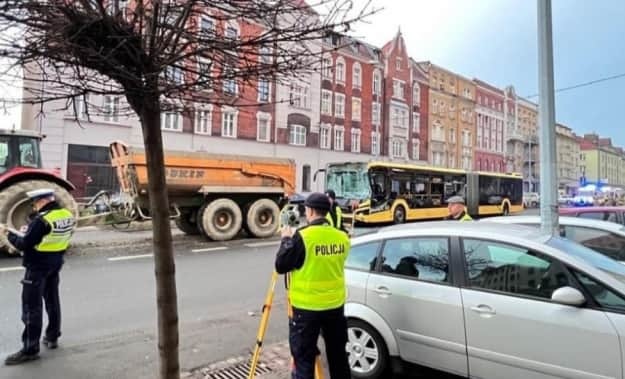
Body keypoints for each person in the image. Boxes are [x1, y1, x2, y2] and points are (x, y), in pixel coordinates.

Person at [275, 192, 351, 379]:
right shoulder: (342, 237)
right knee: (338, 357)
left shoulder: (303, 237)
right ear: (327, 211)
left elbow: (281, 265)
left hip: (306, 309)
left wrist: (286, 239)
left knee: (303, 359)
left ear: (309, 211)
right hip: (334, 306)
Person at [0, 188, 76, 365]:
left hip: (37, 267)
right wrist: (29, 231)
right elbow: (52, 236)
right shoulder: (66, 214)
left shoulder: (42, 220)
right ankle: (52, 336)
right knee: (52, 301)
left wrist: (7, 234)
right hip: (55, 263)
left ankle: (30, 348)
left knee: (31, 307)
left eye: (34, 203)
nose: (33, 207)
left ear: (42, 201)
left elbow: (24, 244)